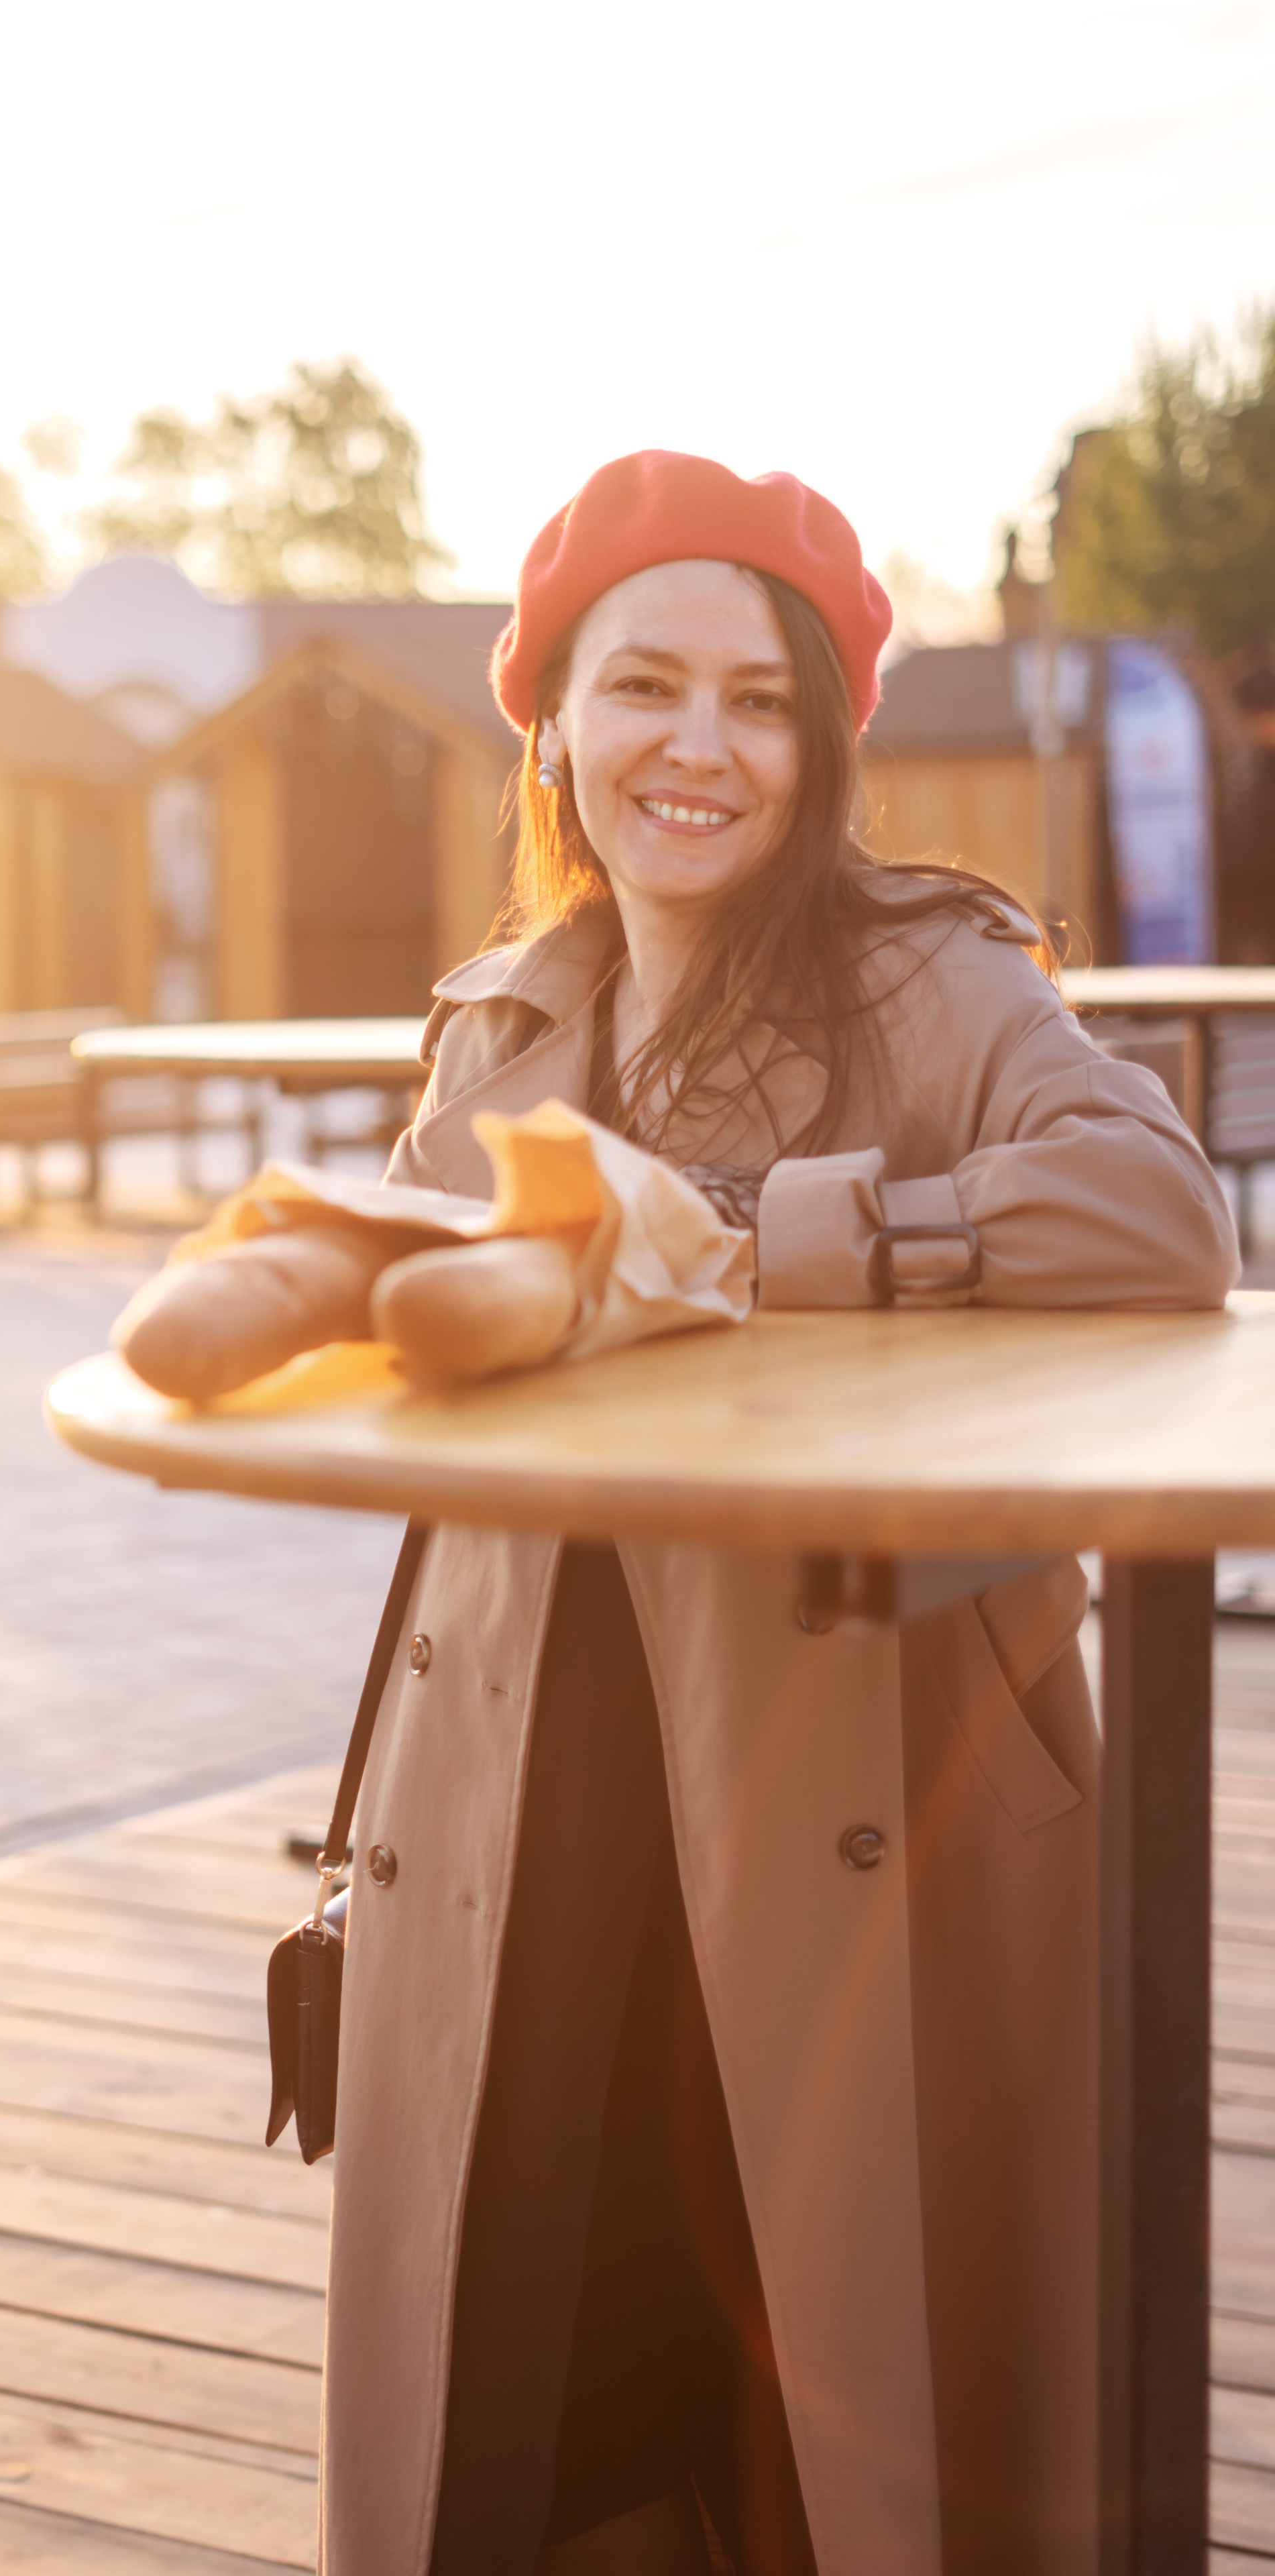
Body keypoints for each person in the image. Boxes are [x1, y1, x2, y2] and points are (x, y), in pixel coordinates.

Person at [315, 453, 1241, 2576]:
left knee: (834, 2390)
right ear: (553, 723)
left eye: (759, 701)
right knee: (540, 2367)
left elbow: (1157, 1209)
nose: (699, 750)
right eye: (645, 688)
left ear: (826, 744)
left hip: (850, 1786)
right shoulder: (503, 1016)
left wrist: (756, 1236)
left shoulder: (933, 978)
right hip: (527, 1791)